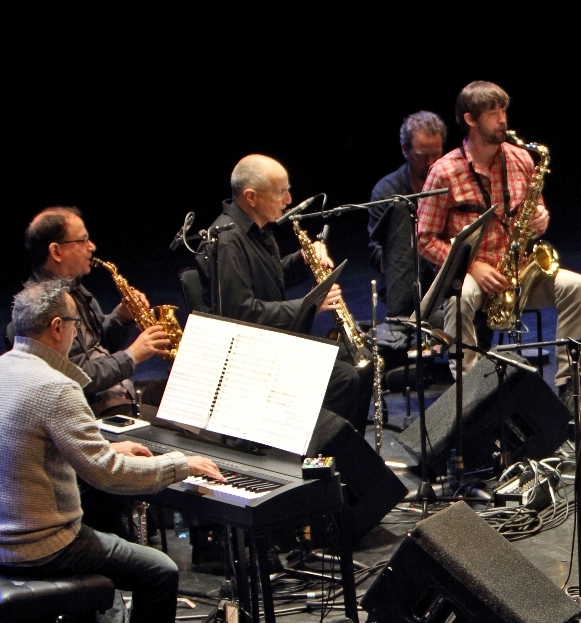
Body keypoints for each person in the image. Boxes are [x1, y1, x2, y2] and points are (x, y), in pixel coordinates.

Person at [0, 279, 226, 623]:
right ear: (55, 328)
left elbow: (38, 446)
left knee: (107, 543)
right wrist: (177, 465)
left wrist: (108, 445)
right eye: (74, 324)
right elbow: (108, 475)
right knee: (157, 569)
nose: (77, 331)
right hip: (37, 546)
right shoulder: (55, 386)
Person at [416, 81, 581, 403]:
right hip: (475, 276)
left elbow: (534, 210)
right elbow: (424, 240)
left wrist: (541, 216)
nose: (502, 119)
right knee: (457, 301)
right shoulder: (444, 172)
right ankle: (471, 395)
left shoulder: (521, 159)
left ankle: (570, 387)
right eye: (493, 112)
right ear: (470, 119)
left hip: (518, 272)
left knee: (576, 286)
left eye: (503, 110)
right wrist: (472, 265)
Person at [23, 207, 174, 537]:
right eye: (84, 240)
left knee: (185, 394)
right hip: (95, 413)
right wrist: (132, 356)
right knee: (178, 418)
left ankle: (203, 534)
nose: (92, 247)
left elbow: (97, 343)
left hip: (118, 396)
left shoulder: (76, 290)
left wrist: (120, 318)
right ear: (56, 251)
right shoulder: (47, 308)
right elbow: (75, 376)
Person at [196, 154, 374, 430]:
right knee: (343, 378)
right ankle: (312, 454)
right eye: (281, 192)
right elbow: (240, 312)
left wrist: (304, 258)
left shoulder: (259, 229)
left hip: (276, 341)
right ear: (251, 196)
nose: (289, 199)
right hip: (254, 354)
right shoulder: (228, 240)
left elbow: (269, 280)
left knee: (362, 361)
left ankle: (348, 454)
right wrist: (310, 304)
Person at [368, 111, 445, 317]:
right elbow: (376, 251)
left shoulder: (450, 184)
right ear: (405, 149)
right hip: (405, 287)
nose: (431, 163)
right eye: (421, 156)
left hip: (446, 280)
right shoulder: (386, 191)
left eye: (436, 154)